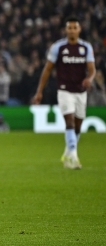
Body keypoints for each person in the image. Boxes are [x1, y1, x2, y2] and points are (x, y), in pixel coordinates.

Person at [32, 17, 95, 169]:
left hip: (80, 92)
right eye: (69, 28)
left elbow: (92, 69)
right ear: (66, 30)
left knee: (78, 126)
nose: (72, 30)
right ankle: (74, 157)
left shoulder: (86, 47)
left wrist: (90, 79)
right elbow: (47, 69)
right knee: (70, 122)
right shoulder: (58, 47)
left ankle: (67, 154)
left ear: (79, 30)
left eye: (75, 27)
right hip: (65, 91)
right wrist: (39, 91)